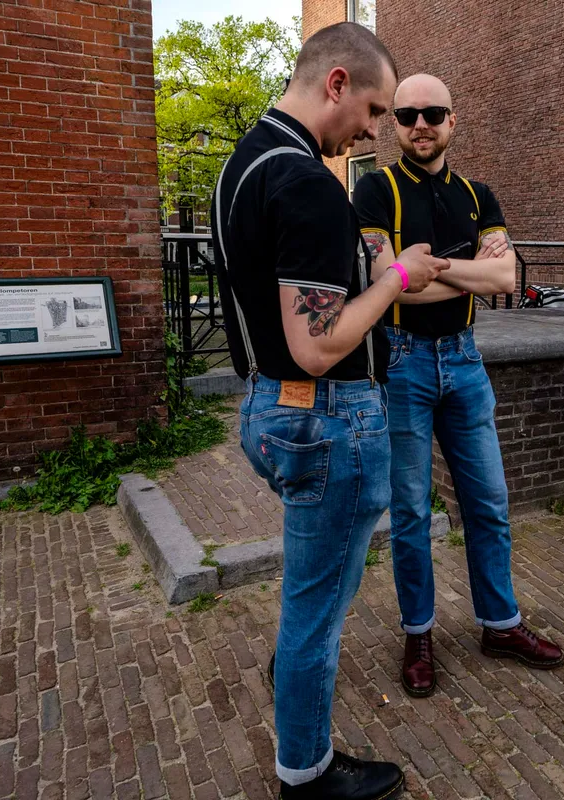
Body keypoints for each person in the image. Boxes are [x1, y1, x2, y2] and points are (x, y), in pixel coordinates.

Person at [212, 23, 449, 800]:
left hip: (271, 405)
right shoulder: (308, 180)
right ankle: (306, 774)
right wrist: (398, 279)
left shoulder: (246, 162)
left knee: (315, 593)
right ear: (337, 82)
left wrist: (367, 265)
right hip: (326, 416)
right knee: (316, 609)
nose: (375, 131)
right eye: (375, 110)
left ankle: (293, 674)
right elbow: (316, 345)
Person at [353, 74, 564, 700]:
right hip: (402, 362)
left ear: (453, 121)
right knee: (412, 511)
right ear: (394, 124)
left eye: (433, 113)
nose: (421, 124)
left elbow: (505, 279)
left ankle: (500, 624)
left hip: (465, 360)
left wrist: (427, 271)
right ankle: (418, 634)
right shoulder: (376, 189)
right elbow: (384, 279)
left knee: (490, 502)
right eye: (407, 115)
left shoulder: (478, 194)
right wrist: (456, 274)